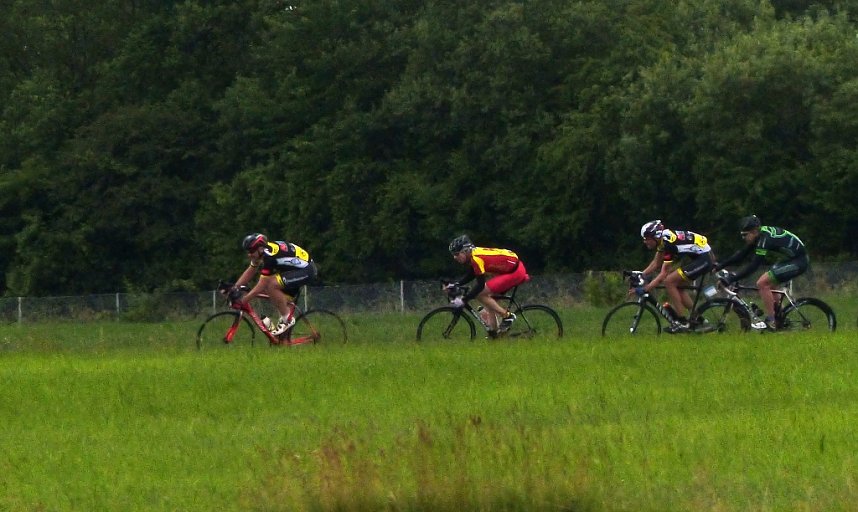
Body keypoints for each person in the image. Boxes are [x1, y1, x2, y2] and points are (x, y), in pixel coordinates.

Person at [715, 215, 809, 330]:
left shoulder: (765, 239)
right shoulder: (759, 235)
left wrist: (730, 279)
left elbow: (754, 266)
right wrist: (721, 265)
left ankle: (771, 321)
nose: (743, 238)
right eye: (742, 235)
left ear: (754, 231)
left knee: (762, 283)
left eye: (745, 235)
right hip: (790, 259)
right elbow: (741, 255)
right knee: (771, 284)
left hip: (799, 261)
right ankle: (782, 319)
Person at [637, 219, 715, 333]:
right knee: (678, 286)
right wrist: (640, 274)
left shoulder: (668, 243)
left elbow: (663, 274)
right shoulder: (663, 240)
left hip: (704, 258)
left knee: (669, 281)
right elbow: (656, 263)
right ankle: (698, 319)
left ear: (655, 236)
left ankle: (681, 321)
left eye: (647, 238)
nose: (645, 241)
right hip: (700, 257)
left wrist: (646, 289)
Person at [233, 233, 318, 335]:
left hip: (306, 270)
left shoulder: (269, 257)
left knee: (270, 284)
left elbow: (262, 284)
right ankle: (284, 340)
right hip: (294, 270)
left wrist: (244, 300)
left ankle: (288, 319)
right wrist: (234, 288)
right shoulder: (264, 252)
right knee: (280, 300)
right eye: (248, 252)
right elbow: (251, 270)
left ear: (260, 249)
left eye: (251, 251)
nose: (249, 254)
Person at [447, 235, 529, 334]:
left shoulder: (477, 259)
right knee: (489, 302)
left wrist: (464, 300)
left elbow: (480, 285)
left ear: (465, 251)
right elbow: (473, 273)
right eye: (453, 255)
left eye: (457, 254)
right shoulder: (474, 255)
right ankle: (495, 335)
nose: (455, 258)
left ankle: (507, 316)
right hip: (511, 268)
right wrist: (457, 283)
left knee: (481, 294)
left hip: (515, 272)